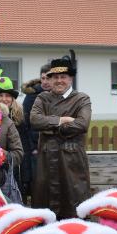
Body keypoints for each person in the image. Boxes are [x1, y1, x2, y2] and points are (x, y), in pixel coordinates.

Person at [30, 54, 92, 219]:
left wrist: (51, 127)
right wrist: (61, 121)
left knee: (73, 206)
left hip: (71, 163)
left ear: (70, 78)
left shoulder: (81, 99)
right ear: (49, 80)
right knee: (46, 209)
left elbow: (82, 124)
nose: (59, 81)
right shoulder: (42, 98)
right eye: (55, 77)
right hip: (46, 163)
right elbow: (35, 120)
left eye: (63, 77)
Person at [19, 65, 51, 199]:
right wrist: (33, 147)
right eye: (43, 78)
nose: (45, 81)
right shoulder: (32, 96)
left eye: (48, 78)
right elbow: (27, 124)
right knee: (38, 183)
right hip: (36, 147)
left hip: (54, 146)